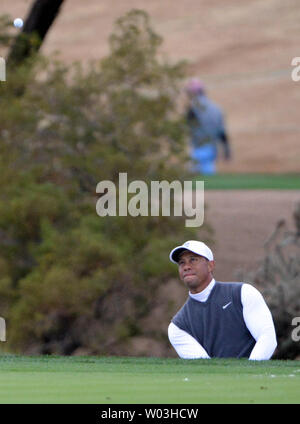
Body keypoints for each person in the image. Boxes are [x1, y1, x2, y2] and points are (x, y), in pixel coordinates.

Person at [168, 240, 277, 359]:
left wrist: (249, 373)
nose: (186, 267)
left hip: (256, 375)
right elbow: (204, 366)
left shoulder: (243, 293)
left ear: (210, 265)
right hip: (219, 377)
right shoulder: (177, 326)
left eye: (193, 260)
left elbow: (267, 338)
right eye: (181, 263)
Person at [185, 78, 231, 175]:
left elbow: (187, 125)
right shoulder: (216, 108)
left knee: (194, 180)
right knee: (208, 175)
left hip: (198, 148)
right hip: (212, 149)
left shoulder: (193, 108)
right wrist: (227, 150)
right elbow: (222, 133)